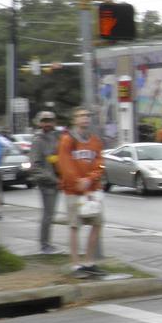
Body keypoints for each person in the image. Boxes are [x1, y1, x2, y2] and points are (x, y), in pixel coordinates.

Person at [56, 110, 106, 276]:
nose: (85, 118)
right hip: (73, 190)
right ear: (74, 119)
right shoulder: (67, 140)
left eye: (87, 116)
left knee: (97, 223)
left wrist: (90, 179)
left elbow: (100, 163)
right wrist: (78, 181)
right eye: (81, 116)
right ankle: (76, 265)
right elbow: (65, 165)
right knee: (74, 225)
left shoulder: (95, 141)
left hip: (92, 190)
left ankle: (90, 262)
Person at [27, 111, 62, 254]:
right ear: (40, 123)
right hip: (47, 184)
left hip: (57, 182)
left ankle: (47, 243)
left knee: (51, 214)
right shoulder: (38, 140)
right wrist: (53, 179)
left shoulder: (57, 137)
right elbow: (35, 166)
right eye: (44, 121)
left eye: (50, 121)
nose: (47, 123)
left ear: (54, 122)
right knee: (48, 215)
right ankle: (44, 245)